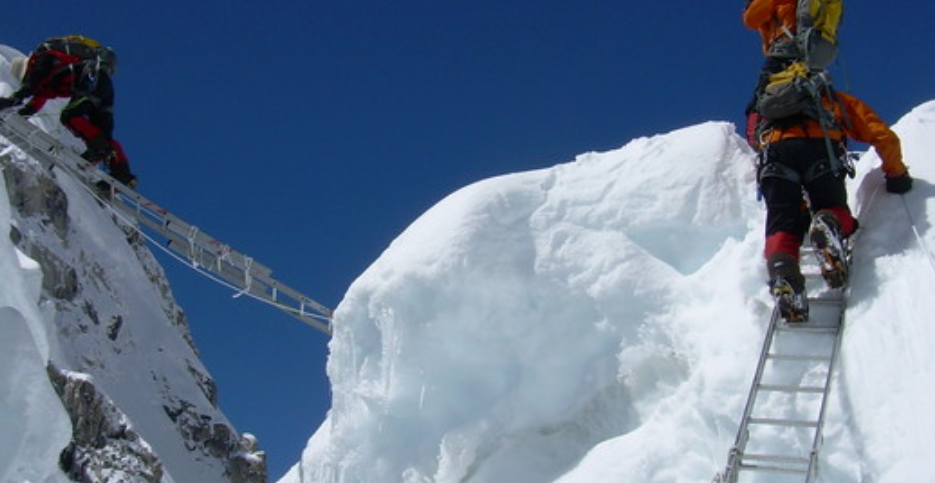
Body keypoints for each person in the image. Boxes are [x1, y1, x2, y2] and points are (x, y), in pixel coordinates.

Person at [758, 89, 913, 321]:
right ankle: (829, 222)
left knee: (782, 223)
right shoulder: (827, 95)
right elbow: (879, 133)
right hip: (820, 150)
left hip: (774, 156)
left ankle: (782, 269)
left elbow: (755, 136)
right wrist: (896, 174)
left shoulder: (765, 100)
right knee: (834, 207)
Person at [0, 36, 136, 187]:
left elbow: (30, 87)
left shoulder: (41, 60)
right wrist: (19, 115)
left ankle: (98, 148)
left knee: (70, 115)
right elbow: (35, 102)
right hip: (101, 85)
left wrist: (12, 100)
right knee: (103, 133)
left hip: (89, 79)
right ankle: (122, 172)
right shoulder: (49, 82)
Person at [742, 0, 799, 149]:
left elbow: (751, 19)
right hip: (810, 56)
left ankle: (756, 146)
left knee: (758, 103)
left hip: (783, 53)